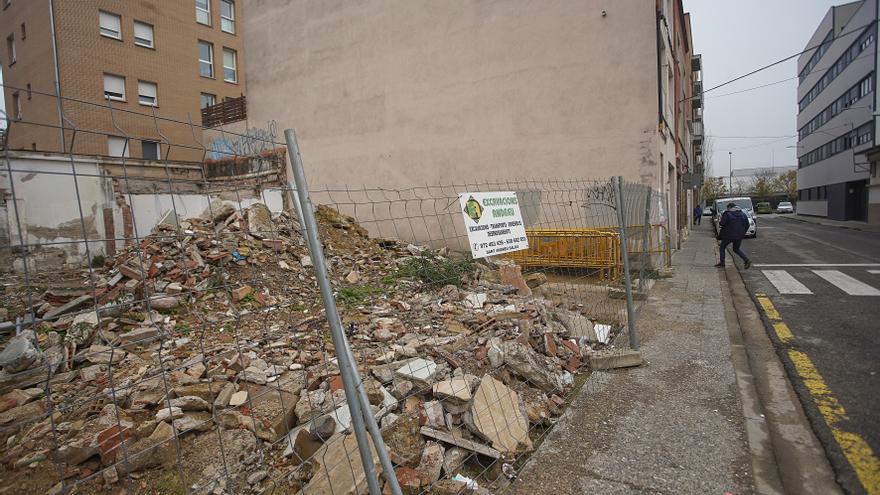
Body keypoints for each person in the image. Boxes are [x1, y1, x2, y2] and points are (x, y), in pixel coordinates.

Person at [716, 202, 751, 269]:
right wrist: (742, 233)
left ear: (729, 207)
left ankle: (722, 263)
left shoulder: (727, 213)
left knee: (722, 247)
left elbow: (721, 223)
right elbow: (747, 225)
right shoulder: (743, 214)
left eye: (727, 208)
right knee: (736, 249)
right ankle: (746, 260)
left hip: (728, 235)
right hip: (739, 236)